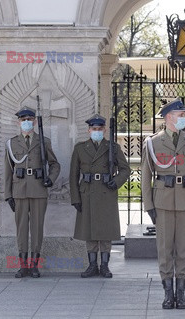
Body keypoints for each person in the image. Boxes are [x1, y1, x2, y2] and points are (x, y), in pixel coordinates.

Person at [141, 98, 185, 309]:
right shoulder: (152, 142)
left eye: (184, 115)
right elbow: (145, 176)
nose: (184, 118)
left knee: (184, 248)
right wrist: (149, 206)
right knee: (164, 249)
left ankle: (181, 293)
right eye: (181, 115)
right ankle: (168, 294)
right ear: (169, 117)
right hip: (162, 201)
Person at [69, 114, 130, 278]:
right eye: (94, 129)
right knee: (89, 230)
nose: (97, 131)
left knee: (105, 231)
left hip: (106, 192)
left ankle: (104, 266)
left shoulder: (113, 148)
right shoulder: (80, 148)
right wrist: (75, 198)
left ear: (104, 130)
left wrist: (116, 181)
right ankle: (91, 265)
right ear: (89, 130)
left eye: (100, 129)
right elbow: (73, 175)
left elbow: (125, 169)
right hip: (87, 192)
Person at [4, 106, 60, 278]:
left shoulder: (44, 141)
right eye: (23, 120)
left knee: (37, 228)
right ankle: (23, 266)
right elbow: (8, 170)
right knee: (21, 229)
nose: (26, 123)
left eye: (29, 119)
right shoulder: (12, 143)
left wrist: (50, 179)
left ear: (35, 121)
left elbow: (55, 164)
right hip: (19, 190)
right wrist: (8, 195)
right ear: (18, 122)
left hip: (38, 189)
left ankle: (34, 265)